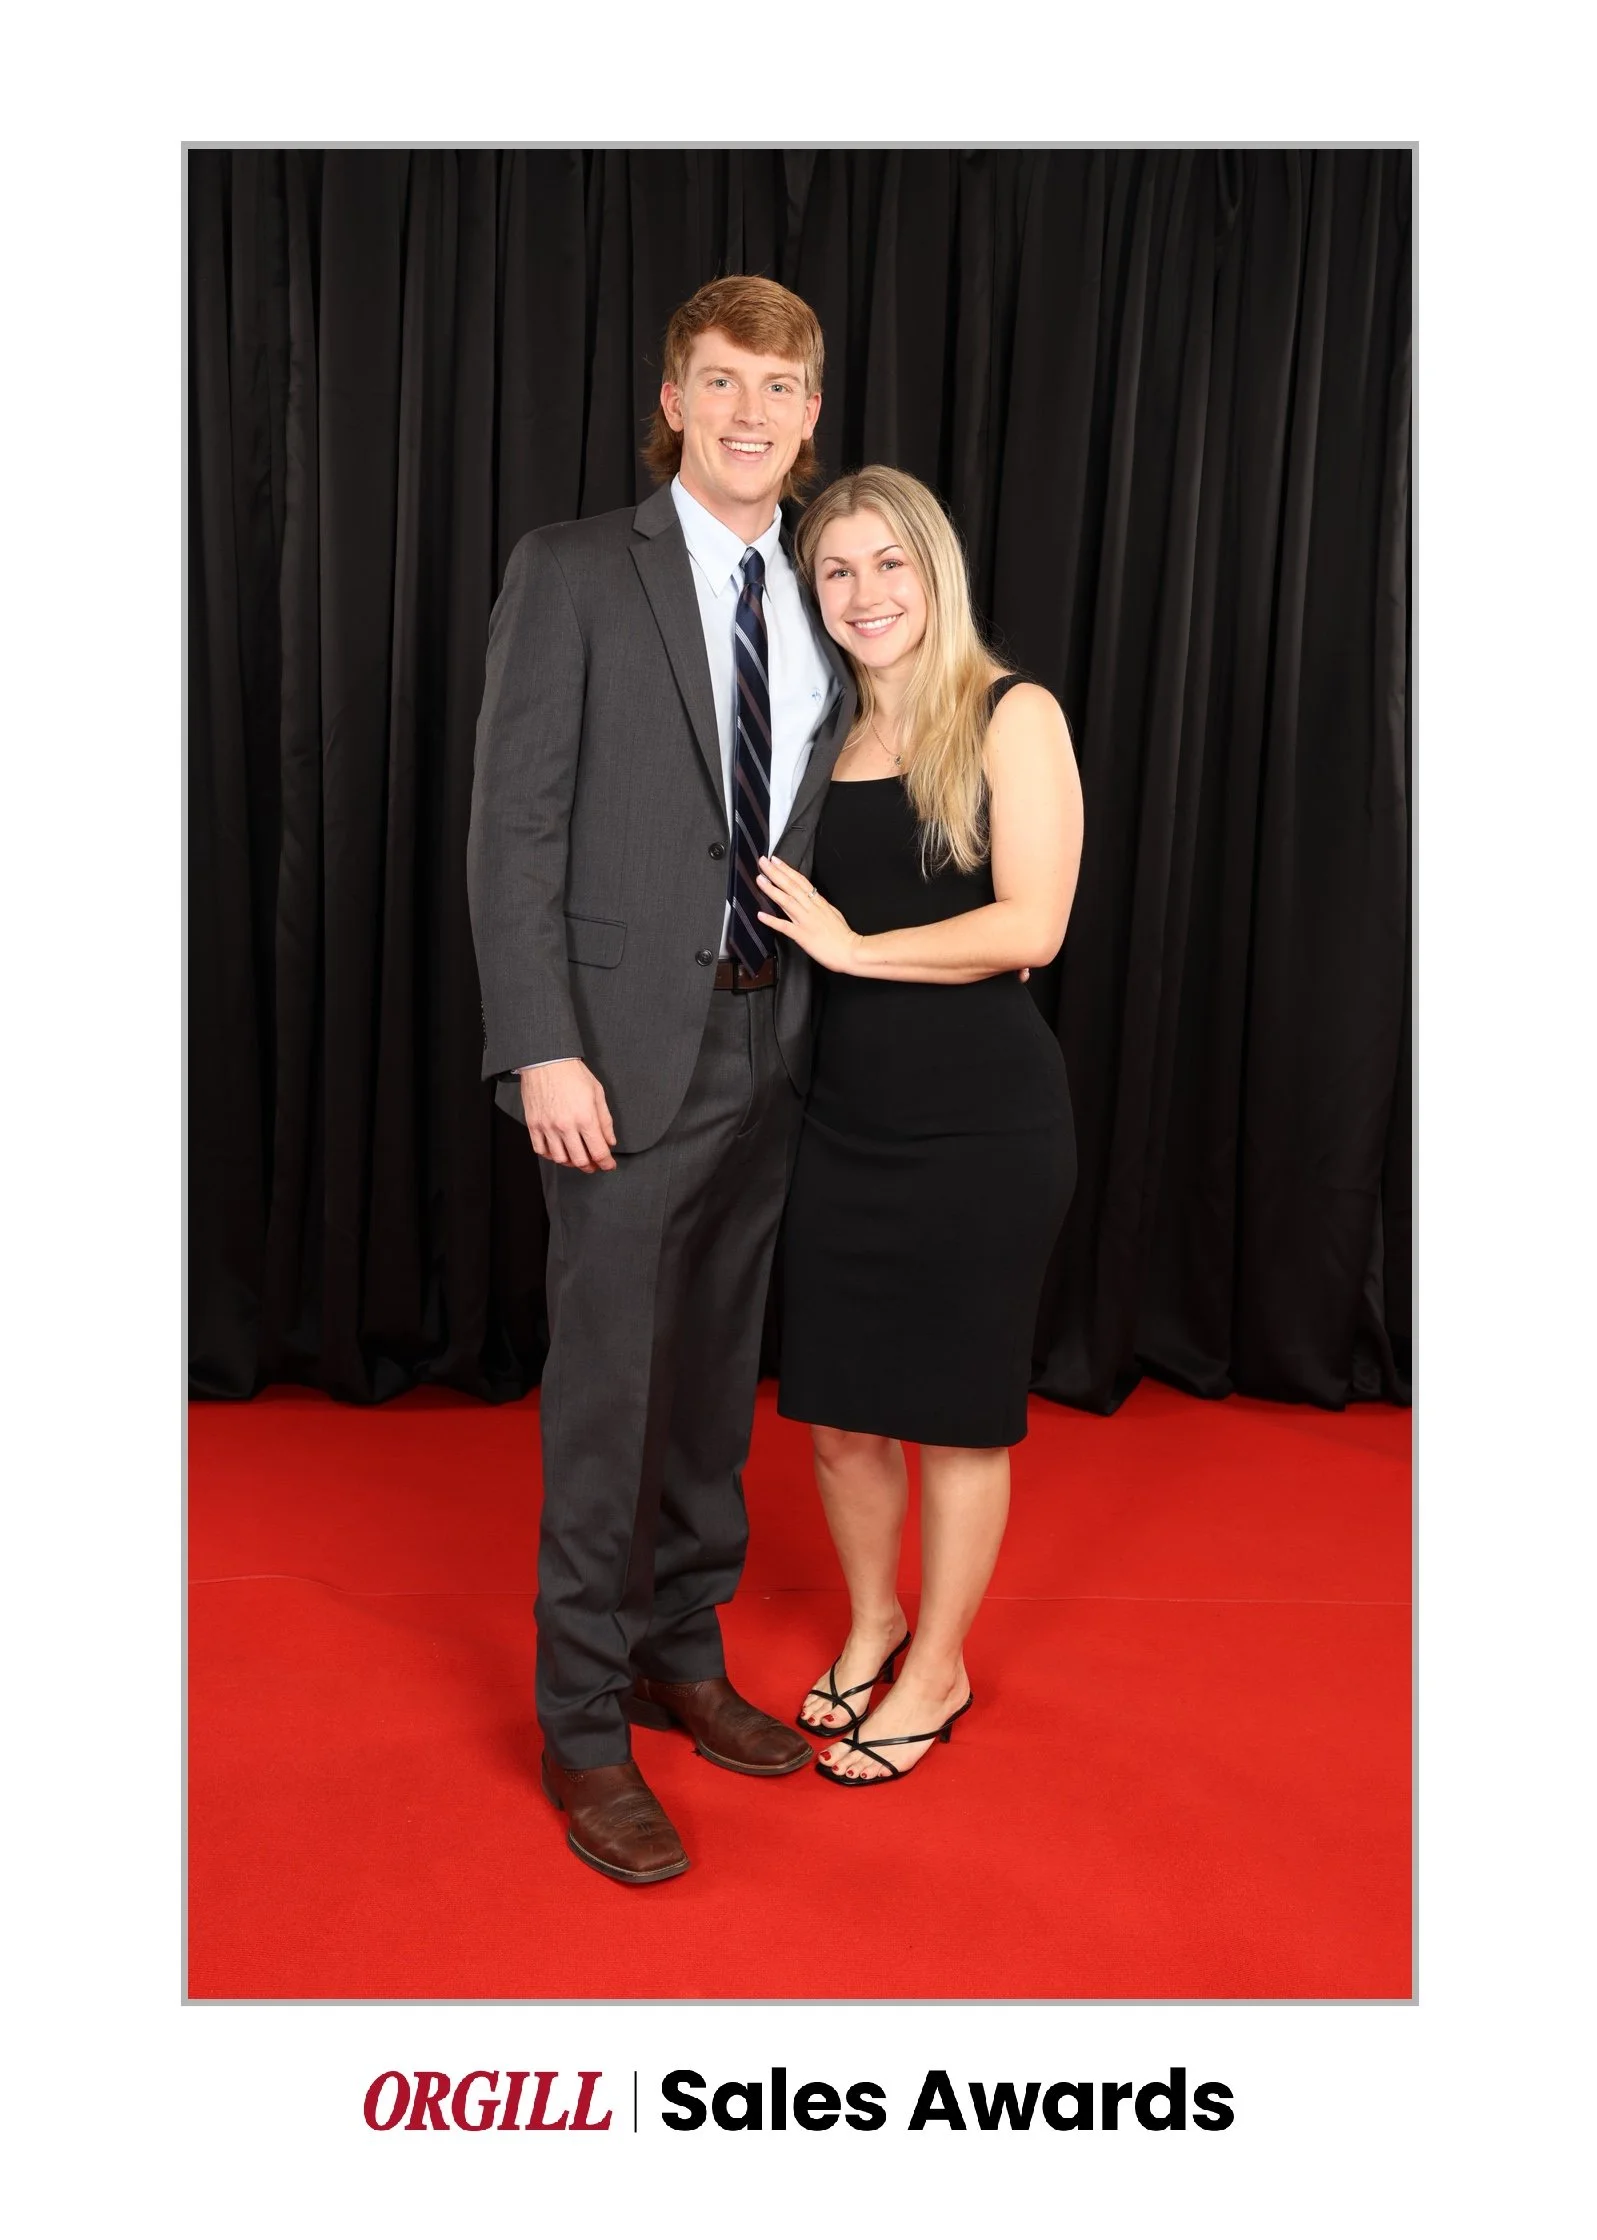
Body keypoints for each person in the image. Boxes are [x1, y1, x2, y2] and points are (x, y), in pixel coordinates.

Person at [466, 276, 856, 1883]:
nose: (752, 412)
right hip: (615, 1055)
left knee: (712, 1375)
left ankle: (680, 1656)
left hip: (774, 1038)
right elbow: (515, 828)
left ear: (813, 413)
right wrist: (539, 1040)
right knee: (614, 1388)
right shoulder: (571, 572)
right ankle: (580, 1726)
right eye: (721, 380)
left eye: (780, 386)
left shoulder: (834, 592)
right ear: (675, 401)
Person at [754, 464, 1083, 1786]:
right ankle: (876, 1619)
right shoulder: (818, 741)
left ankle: (937, 1669)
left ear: (933, 571)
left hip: (983, 1128)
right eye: (836, 570)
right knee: (837, 1417)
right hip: (842, 1120)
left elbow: (1032, 928)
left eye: (889, 563)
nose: (864, 591)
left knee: (953, 1417)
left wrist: (851, 945)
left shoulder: (1011, 714)